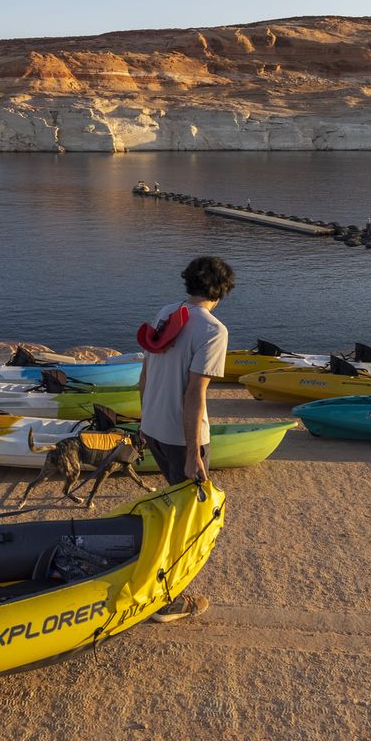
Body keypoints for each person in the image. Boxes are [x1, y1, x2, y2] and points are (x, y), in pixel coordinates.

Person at [135, 257, 234, 623]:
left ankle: (163, 588)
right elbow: (195, 394)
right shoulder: (213, 331)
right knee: (190, 520)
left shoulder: (167, 312)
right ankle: (166, 599)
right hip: (181, 438)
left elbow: (145, 374)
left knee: (179, 511)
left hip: (157, 428)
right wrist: (194, 453)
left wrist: (145, 421)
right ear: (222, 292)